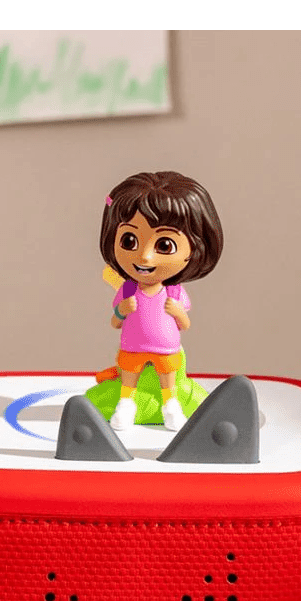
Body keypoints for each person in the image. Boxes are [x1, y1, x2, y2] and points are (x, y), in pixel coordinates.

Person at [99, 171, 224, 432]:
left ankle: (171, 405)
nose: (144, 257)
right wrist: (121, 310)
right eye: (129, 241)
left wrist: (178, 312)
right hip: (132, 346)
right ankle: (126, 404)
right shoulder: (127, 289)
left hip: (166, 348)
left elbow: (185, 324)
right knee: (129, 377)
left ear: (195, 249)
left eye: (164, 245)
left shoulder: (175, 293)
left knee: (168, 378)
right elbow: (114, 322)